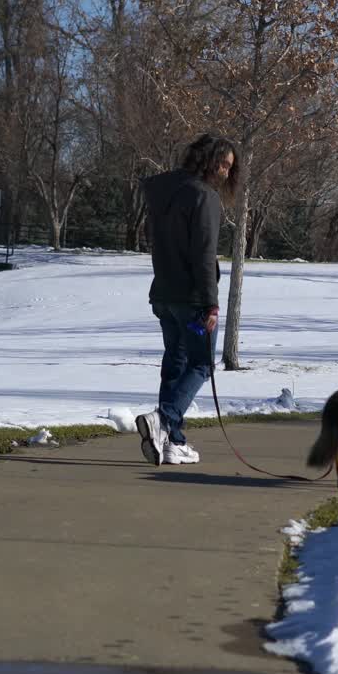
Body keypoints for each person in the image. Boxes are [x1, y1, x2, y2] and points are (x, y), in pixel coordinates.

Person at [136, 134, 237, 466]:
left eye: (229, 167)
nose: (224, 172)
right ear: (206, 160)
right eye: (222, 164)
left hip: (164, 295)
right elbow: (204, 254)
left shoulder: (162, 192)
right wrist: (211, 303)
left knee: (175, 363)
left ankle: (172, 442)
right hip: (193, 300)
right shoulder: (203, 197)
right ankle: (162, 420)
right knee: (201, 364)